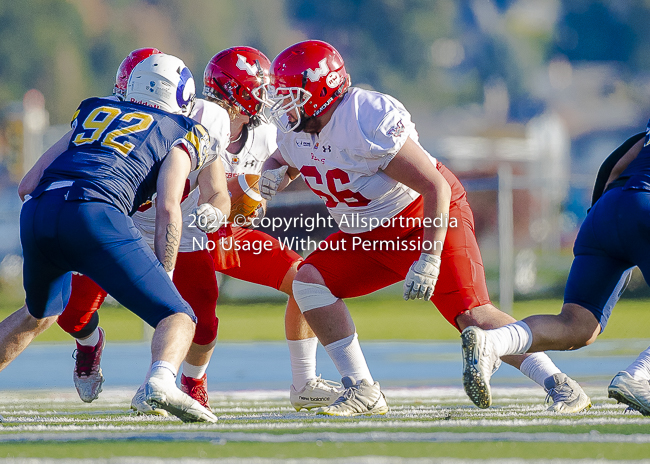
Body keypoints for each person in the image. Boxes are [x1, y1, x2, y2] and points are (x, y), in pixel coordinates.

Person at [255, 39, 591, 416]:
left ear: (322, 90)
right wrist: (271, 176)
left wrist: (430, 256)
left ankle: (560, 384)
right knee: (309, 281)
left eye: (292, 96)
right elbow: (284, 158)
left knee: (472, 314)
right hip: (366, 233)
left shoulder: (364, 117)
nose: (284, 107)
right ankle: (362, 388)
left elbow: (435, 186)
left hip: (422, 217)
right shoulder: (297, 129)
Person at [3, 53, 218, 422]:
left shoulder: (94, 112)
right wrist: (163, 274)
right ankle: (161, 382)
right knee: (178, 314)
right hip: (95, 212)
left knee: (37, 314)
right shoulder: (182, 130)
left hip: (39, 210)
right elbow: (168, 207)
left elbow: (28, 184)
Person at [459, 131, 650, 416]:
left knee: (577, 326)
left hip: (606, 209)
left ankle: (492, 342)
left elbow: (618, 162)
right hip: (643, 205)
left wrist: (605, 218)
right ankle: (641, 377)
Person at [201, 46, 342, 411]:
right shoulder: (192, 124)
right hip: (188, 234)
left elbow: (260, 197)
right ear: (238, 90)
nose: (268, 97)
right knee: (195, 315)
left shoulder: (265, 133)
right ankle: (180, 381)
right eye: (260, 87)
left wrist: (253, 202)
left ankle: (304, 382)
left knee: (305, 282)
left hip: (234, 234)